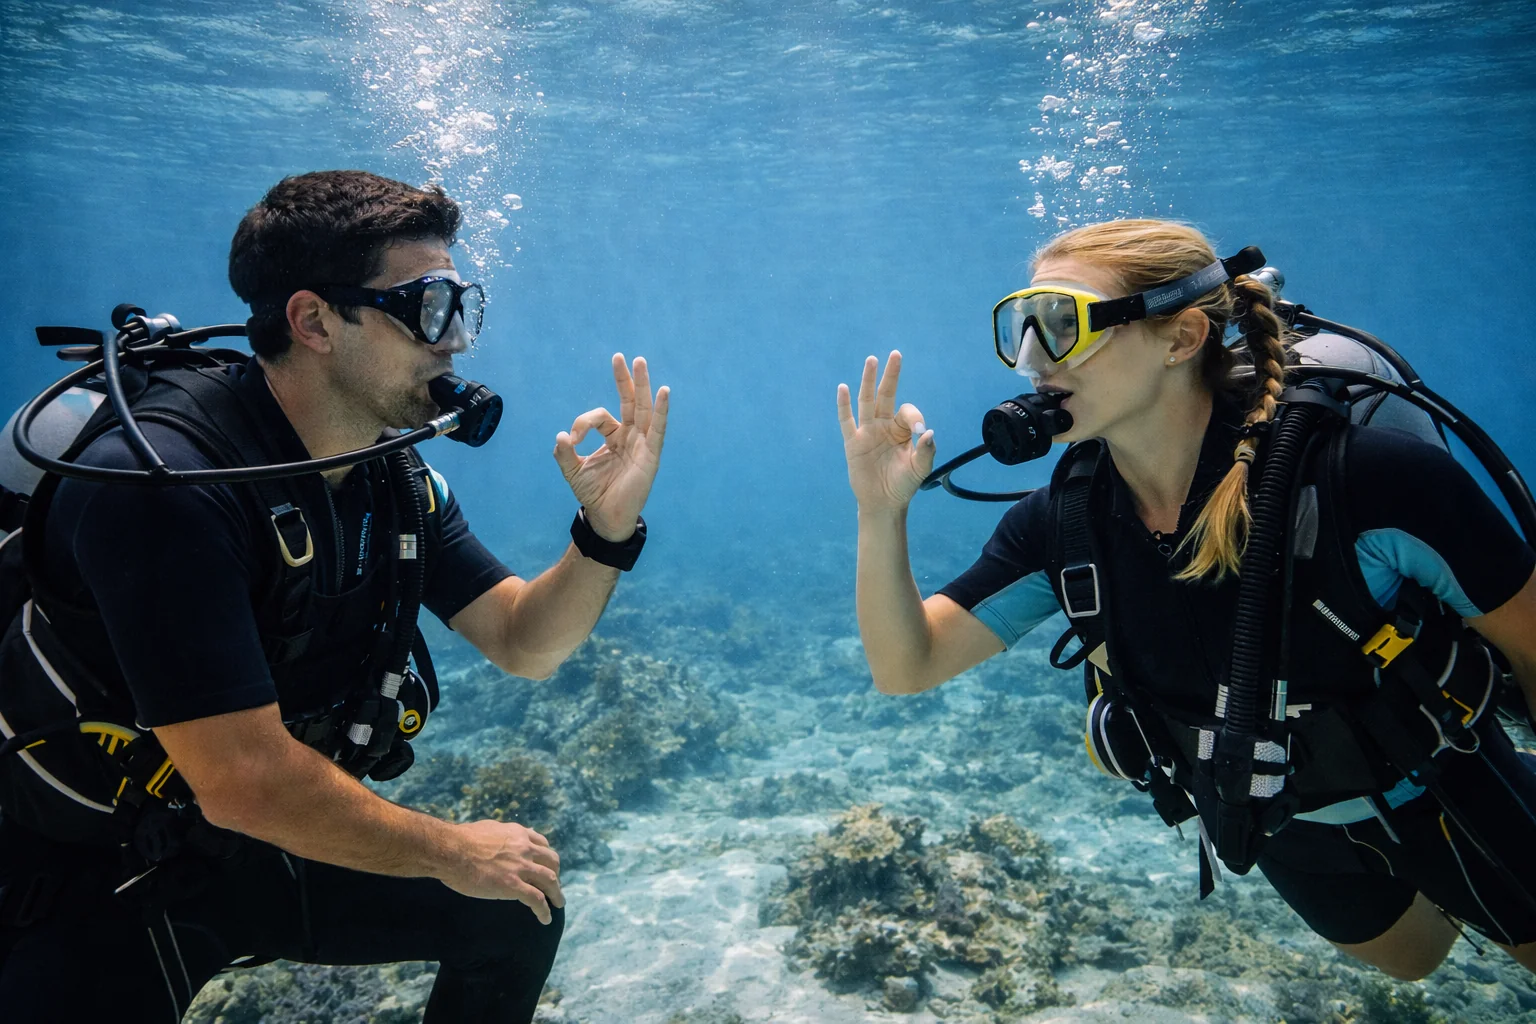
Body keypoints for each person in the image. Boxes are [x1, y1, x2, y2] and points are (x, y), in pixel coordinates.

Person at [0, 170, 670, 1022]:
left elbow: (523, 641)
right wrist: (450, 849)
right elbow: (245, 781)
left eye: (464, 306)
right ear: (313, 320)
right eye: (427, 308)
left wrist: (604, 533)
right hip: (93, 875)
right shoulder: (168, 489)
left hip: (249, 845)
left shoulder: (388, 472)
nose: (455, 342)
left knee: (517, 907)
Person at [836, 218, 1536, 981]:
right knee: (1411, 962)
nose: (1032, 364)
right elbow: (907, 664)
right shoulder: (1063, 523)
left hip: (1441, 785)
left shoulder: (1362, 479)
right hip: (1273, 814)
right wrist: (882, 512)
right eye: (1022, 328)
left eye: (1064, 326)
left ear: (1180, 339)